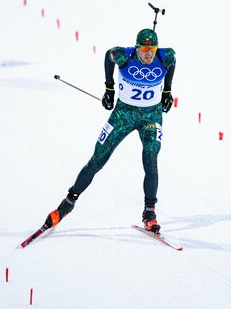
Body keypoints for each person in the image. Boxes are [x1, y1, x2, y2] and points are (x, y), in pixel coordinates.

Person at [44, 28, 176, 234]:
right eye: (144, 49)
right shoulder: (125, 55)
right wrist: (109, 88)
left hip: (151, 116)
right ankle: (66, 205)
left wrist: (167, 90)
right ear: (137, 47)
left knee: (151, 159)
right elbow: (108, 55)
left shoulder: (166, 56)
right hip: (123, 115)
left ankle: (149, 213)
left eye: (152, 48)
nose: (149, 53)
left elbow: (173, 62)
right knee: (98, 159)